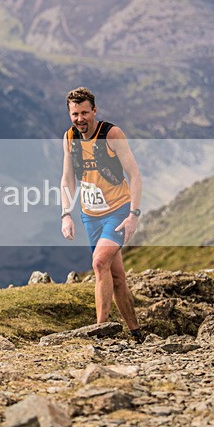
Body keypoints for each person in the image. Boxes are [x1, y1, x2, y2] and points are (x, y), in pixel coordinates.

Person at [59, 87, 145, 342]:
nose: (80, 118)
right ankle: (136, 332)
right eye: (75, 114)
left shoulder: (112, 134)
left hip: (117, 212)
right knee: (116, 276)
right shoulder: (69, 137)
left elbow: (135, 175)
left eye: (85, 112)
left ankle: (100, 332)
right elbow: (67, 178)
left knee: (98, 263)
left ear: (94, 110)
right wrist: (66, 213)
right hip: (90, 216)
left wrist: (134, 215)